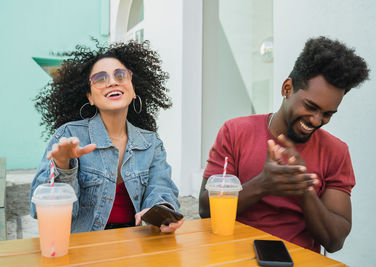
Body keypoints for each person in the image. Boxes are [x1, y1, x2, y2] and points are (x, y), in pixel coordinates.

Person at [199, 36, 369, 253]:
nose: (317, 121)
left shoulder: (336, 152)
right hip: (232, 256)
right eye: (310, 106)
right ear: (287, 88)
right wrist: (264, 184)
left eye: (327, 114)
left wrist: (304, 190)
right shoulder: (235, 132)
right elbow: (205, 209)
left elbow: (334, 242)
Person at [30, 40, 184, 233]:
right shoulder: (68, 135)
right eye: (100, 78)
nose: (112, 81)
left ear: (133, 90)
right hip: (84, 249)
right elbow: (39, 210)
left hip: (134, 245)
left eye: (120, 75)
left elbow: (162, 188)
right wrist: (63, 166)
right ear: (90, 97)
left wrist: (164, 213)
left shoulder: (151, 143)